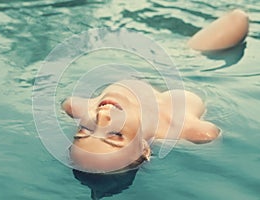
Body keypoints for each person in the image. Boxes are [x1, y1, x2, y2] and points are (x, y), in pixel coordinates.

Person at [61, 9, 249, 173]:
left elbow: (69, 104)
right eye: (115, 134)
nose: (101, 117)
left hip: (141, 59)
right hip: (190, 65)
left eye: (85, 129)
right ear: (144, 149)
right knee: (238, 19)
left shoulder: (79, 108)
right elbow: (214, 141)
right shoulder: (183, 127)